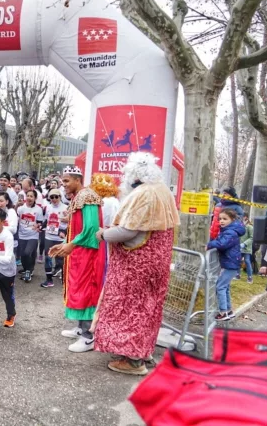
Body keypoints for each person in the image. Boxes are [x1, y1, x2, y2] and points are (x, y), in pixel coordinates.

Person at [93, 152, 180, 375]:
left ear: (133, 174)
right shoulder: (162, 190)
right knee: (148, 309)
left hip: (136, 267)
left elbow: (128, 231)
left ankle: (132, 360)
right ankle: (142, 351)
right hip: (156, 265)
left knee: (131, 310)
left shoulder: (144, 194)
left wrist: (104, 234)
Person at [49, 166, 105, 353]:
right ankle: (82, 327)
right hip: (79, 254)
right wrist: (64, 244)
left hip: (88, 255)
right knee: (78, 289)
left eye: (66, 181)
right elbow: (76, 229)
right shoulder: (78, 197)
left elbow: (91, 229)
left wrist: (71, 245)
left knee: (87, 290)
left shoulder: (87, 196)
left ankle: (89, 336)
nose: (62, 185)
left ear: (77, 180)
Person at [207, 208, 246, 321]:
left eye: (225, 219)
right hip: (230, 262)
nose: (222, 221)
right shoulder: (229, 230)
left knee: (220, 286)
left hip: (231, 263)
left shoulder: (230, 232)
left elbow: (222, 243)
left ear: (232, 219)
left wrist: (210, 244)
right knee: (226, 286)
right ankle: (229, 311)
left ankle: (223, 312)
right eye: (220, 219)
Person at [17, 189, 45, 282]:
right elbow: (16, 220)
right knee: (23, 255)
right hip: (22, 235)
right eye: (28, 195)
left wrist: (38, 226)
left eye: (31, 196)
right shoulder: (21, 208)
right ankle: (27, 269)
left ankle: (28, 271)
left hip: (33, 235)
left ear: (35, 198)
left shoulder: (38, 209)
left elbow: (40, 222)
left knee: (27, 253)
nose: (29, 198)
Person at [42, 189, 67, 288]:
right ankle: (49, 280)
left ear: (60, 197)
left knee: (61, 260)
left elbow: (70, 222)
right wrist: (40, 226)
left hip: (60, 238)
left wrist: (64, 232)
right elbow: (46, 220)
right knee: (48, 258)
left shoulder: (65, 207)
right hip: (49, 236)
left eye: (56, 196)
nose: (54, 199)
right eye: (52, 197)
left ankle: (65, 281)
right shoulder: (48, 207)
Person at [240, 214, 255, 283]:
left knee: (247, 261)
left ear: (245, 217)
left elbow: (252, 238)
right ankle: (237, 274)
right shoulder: (240, 226)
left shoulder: (249, 227)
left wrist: (244, 244)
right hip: (239, 247)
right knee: (237, 261)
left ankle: (250, 277)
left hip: (246, 248)